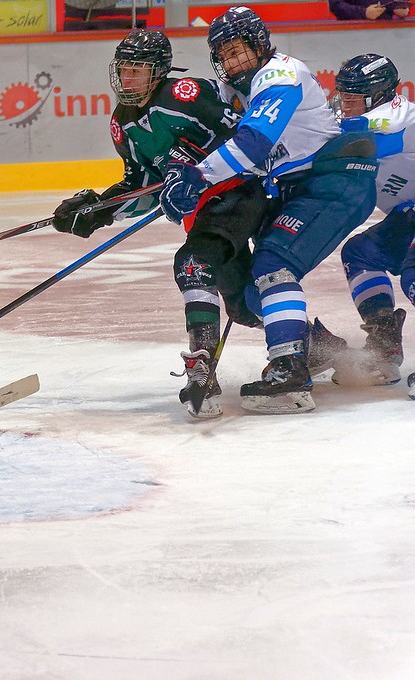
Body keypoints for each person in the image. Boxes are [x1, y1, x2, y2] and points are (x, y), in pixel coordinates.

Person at [159, 6, 380, 414]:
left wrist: (200, 176)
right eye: (223, 55)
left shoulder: (280, 74)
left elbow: (254, 143)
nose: (231, 62)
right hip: (298, 187)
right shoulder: (237, 91)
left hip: (332, 178)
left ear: (259, 44)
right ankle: (318, 350)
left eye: (237, 51)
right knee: (250, 294)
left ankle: (289, 372)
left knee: (273, 265)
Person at [51, 28, 267, 418]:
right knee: (245, 307)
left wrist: (195, 158)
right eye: (124, 70)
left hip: (239, 193)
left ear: (159, 71)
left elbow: (245, 136)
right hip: (203, 213)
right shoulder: (122, 122)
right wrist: (100, 209)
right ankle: (313, 346)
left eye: (137, 70)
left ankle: (202, 371)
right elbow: (143, 186)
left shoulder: (186, 94)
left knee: (192, 264)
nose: (127, 78)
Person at [331, 54, 415, 392]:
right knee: (361, 253)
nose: (345, 104)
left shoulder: (394, 118)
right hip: (408, 213)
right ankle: (384, 343)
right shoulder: (371, 118)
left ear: (378, 95)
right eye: (343, 95)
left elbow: (352, 138)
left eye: (353, 97)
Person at [329, 0, 410, 21]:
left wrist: (402, 8)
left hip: (388, 32)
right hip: (352, 33)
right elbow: (336, 6)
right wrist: (364, 12)